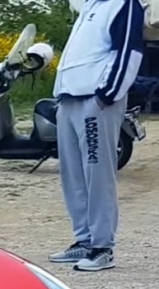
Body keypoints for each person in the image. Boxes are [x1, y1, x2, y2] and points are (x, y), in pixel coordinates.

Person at [48, 0, 145, 273]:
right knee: (73, 174)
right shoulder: (90, 6)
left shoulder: (124, 5)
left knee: (97, 173)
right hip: (69, 98)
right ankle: (84, 239)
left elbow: (129, 52)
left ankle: (102, 246)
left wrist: (107, 94)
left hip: (95, 100)